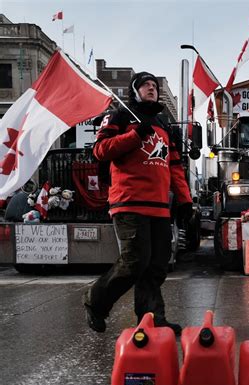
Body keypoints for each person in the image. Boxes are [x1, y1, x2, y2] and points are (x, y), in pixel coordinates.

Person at [83, 71, 193, 336]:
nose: (151, 88)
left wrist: (185, 200)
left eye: (154, 85)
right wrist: (134, 136)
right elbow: (100, 150)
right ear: (135, 90)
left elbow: (175, 167)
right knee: (135, 262)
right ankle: (95, 302)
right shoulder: (121, 116)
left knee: (156, 265)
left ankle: (152, 319)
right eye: (145, 85)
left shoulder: (164, 124)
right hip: (129, 201)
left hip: (159, 206)